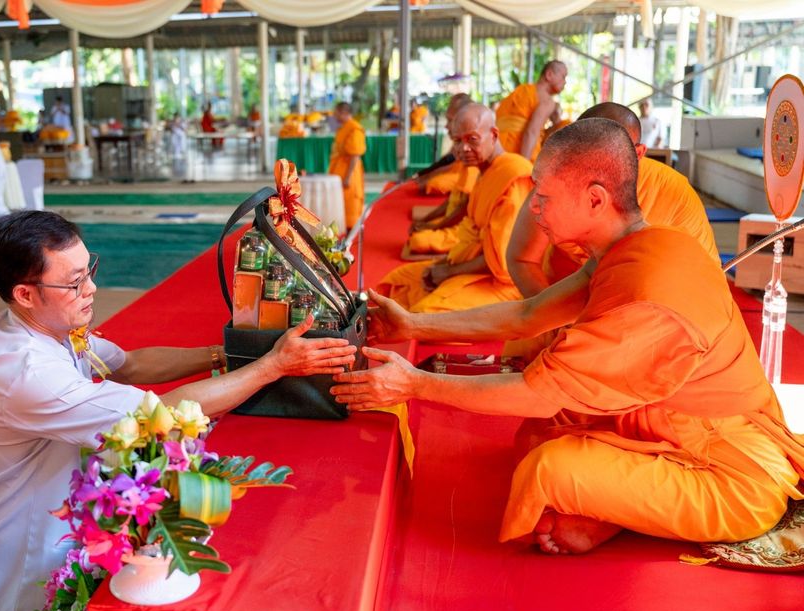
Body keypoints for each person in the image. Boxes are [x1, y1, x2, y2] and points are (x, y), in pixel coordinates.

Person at [333, 118, 804, 556]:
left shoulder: (648, 295)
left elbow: (536, 393)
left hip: (734, 475)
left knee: (549, 470)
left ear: (596, 200)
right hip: (663, 421)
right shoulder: (628, 248)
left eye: (543, 195)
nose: (534, 207)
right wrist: (413, 325)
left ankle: (613, 515)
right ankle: (615, 509)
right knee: (539, 434)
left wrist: (415, 384)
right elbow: (529, 314)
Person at [0, 210, 356, 611]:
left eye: (89, 271)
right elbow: (164, 413)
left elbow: (130, 365)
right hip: (11, 561)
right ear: (24, 293)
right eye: (75, 283)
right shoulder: (27, 372)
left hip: (55, 532)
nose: (91, 289)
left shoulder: (46, 325)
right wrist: (272, 366)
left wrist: (231, 354)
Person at [507, 101, 718, 300]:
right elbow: (522, 260)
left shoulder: (672, 192)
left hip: (650, 304)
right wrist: (552, 315)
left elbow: (704, 279)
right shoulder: (556, 185)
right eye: (586, 153)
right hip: (563, 295)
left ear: (638, 153)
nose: (596, 167)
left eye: (611, 153)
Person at [376, 103, 533, 313]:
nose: (463, 148)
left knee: (423, 313)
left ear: (494, 135)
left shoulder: (513, 177)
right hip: (469, 261)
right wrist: (444, 265)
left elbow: (502, 260)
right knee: (398, 281)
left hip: (503, 283)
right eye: (457, 141)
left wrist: (448, 272)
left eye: (472, 139)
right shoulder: (485, 172)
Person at [495, 60, 567, 162]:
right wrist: (524, 163)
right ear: (549, 75)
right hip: (518, 151)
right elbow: (531, 132)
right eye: (563, 76)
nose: (565, 82)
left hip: (497, 147)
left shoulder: (522, 89)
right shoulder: (547, 100)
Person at [419, 93, 472, 195]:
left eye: (450, 120)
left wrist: (429, 180)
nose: (446, 126)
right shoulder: (459, 146)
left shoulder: (472, 147)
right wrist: (428, 175)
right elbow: (452, 166)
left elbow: (467, 180)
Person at [328, 102, 367, 230]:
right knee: (339, 202)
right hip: (339, 170)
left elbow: (355, 155)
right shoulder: (344, 128)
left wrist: (348, 177)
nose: (334, 116)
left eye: (336, 113)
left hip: (349, 172)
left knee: (350, 203)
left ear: (344, 113)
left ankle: (350, 234)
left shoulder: (354, 129)